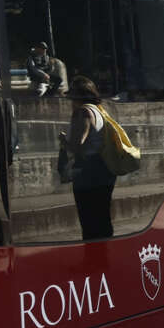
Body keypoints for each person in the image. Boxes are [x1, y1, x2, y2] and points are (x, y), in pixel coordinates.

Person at [60, 76, 115, 241]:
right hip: (104, 169)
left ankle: (93, 260)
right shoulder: (99, 110)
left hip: (88, 172)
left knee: (89, 220)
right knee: (102, 218)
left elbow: (77, 145)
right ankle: (104, 257)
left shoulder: (82, 112)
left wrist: (63, 141)